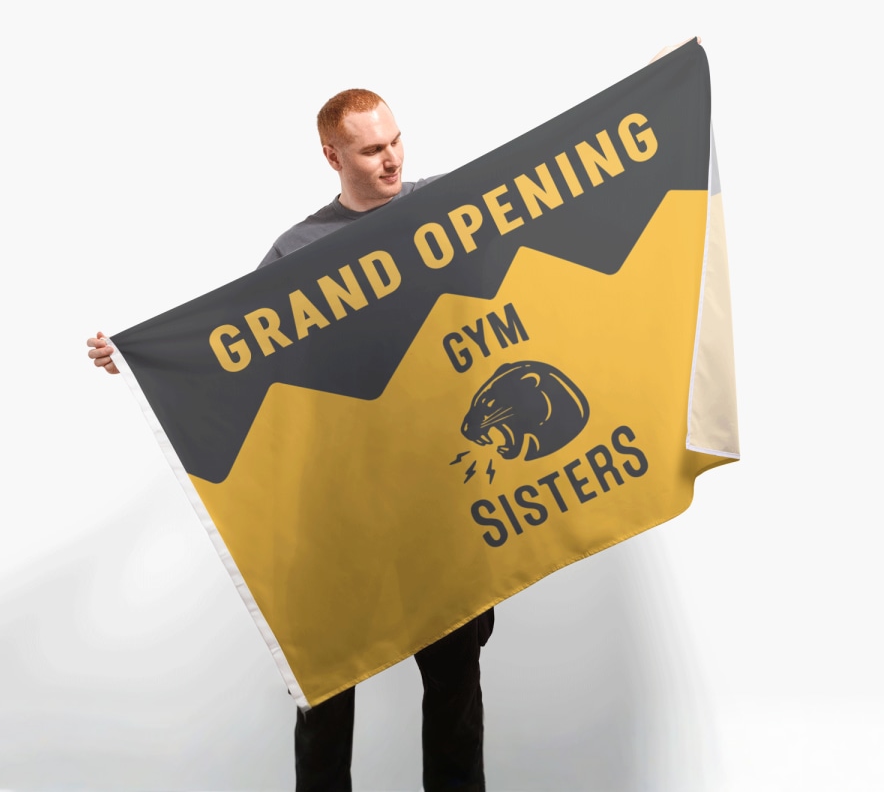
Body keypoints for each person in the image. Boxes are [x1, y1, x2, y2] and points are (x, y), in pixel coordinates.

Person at [86, 39, 698, 790]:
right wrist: (139, 357)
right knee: (326, 685)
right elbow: (235, 349)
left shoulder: (454, 207)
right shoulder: (298, 250)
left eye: (397, 141)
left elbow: (560, 188)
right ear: (331, 155)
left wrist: (654, 97)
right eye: (371, 149)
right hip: (342, 513)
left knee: (453, 687)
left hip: (439, 507)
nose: (391, 160)